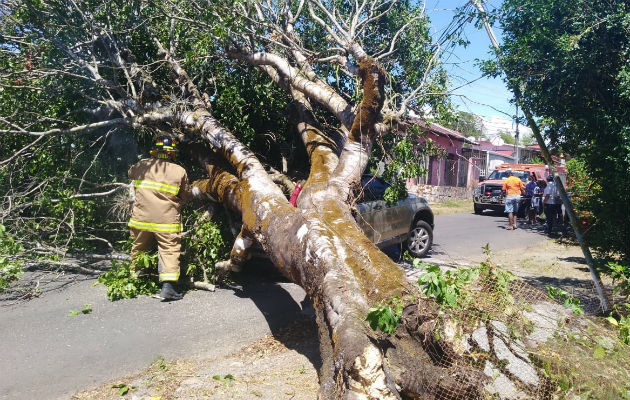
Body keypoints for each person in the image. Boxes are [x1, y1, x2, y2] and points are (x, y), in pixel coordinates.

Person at [128, 136, 197, 301]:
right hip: (166, 220)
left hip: (141, 219)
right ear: (172, 153)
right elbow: (186, 194)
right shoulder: (179, 171)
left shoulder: (141, 165)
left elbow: (130, 174)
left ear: (155, 152)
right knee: (169, 250)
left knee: (139, 247)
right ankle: (169, 288)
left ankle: (136, 280)